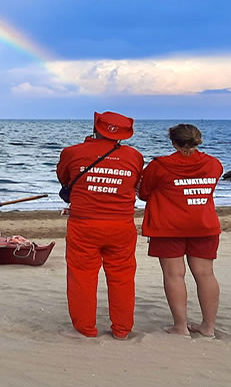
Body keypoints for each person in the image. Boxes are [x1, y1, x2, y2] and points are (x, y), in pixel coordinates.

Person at [56, 111, 146, 339]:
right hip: (121, 225)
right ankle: (122, 330)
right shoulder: (134, 156)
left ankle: (86, 328)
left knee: (82, 276)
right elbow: (135, 184)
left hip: (84, 224)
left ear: (95, 127)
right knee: (122, 277)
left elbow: (64, 178)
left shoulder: (72, 152)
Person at [138, 123, 224, 338]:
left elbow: (144, 192)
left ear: (173, 142)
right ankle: (208, 327)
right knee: (205, 274)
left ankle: (180, 326)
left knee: (174, 274)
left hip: (168, 225)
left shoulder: (160, 166)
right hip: (203, 224)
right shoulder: (213, 164)